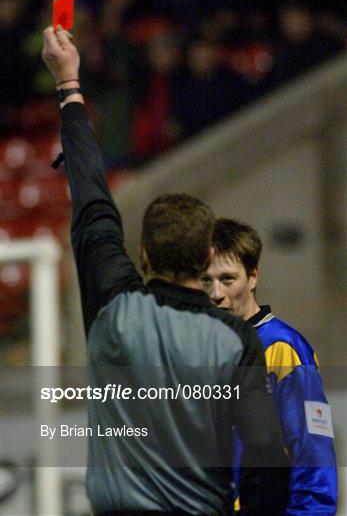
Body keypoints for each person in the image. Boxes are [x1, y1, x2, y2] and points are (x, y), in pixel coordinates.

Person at [42, 26, 288, 515]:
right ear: (205, 261)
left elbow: (94, 205)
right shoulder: (237, 338)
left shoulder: (114, 310)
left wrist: (69, 85)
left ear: (144, 256)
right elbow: (266, 452)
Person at [201, 218, 338, 515]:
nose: (215, 294)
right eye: (205, 280)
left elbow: (313, 454)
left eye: (227, 279)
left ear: (253, 277)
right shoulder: (202, 350)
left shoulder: (283, 348)